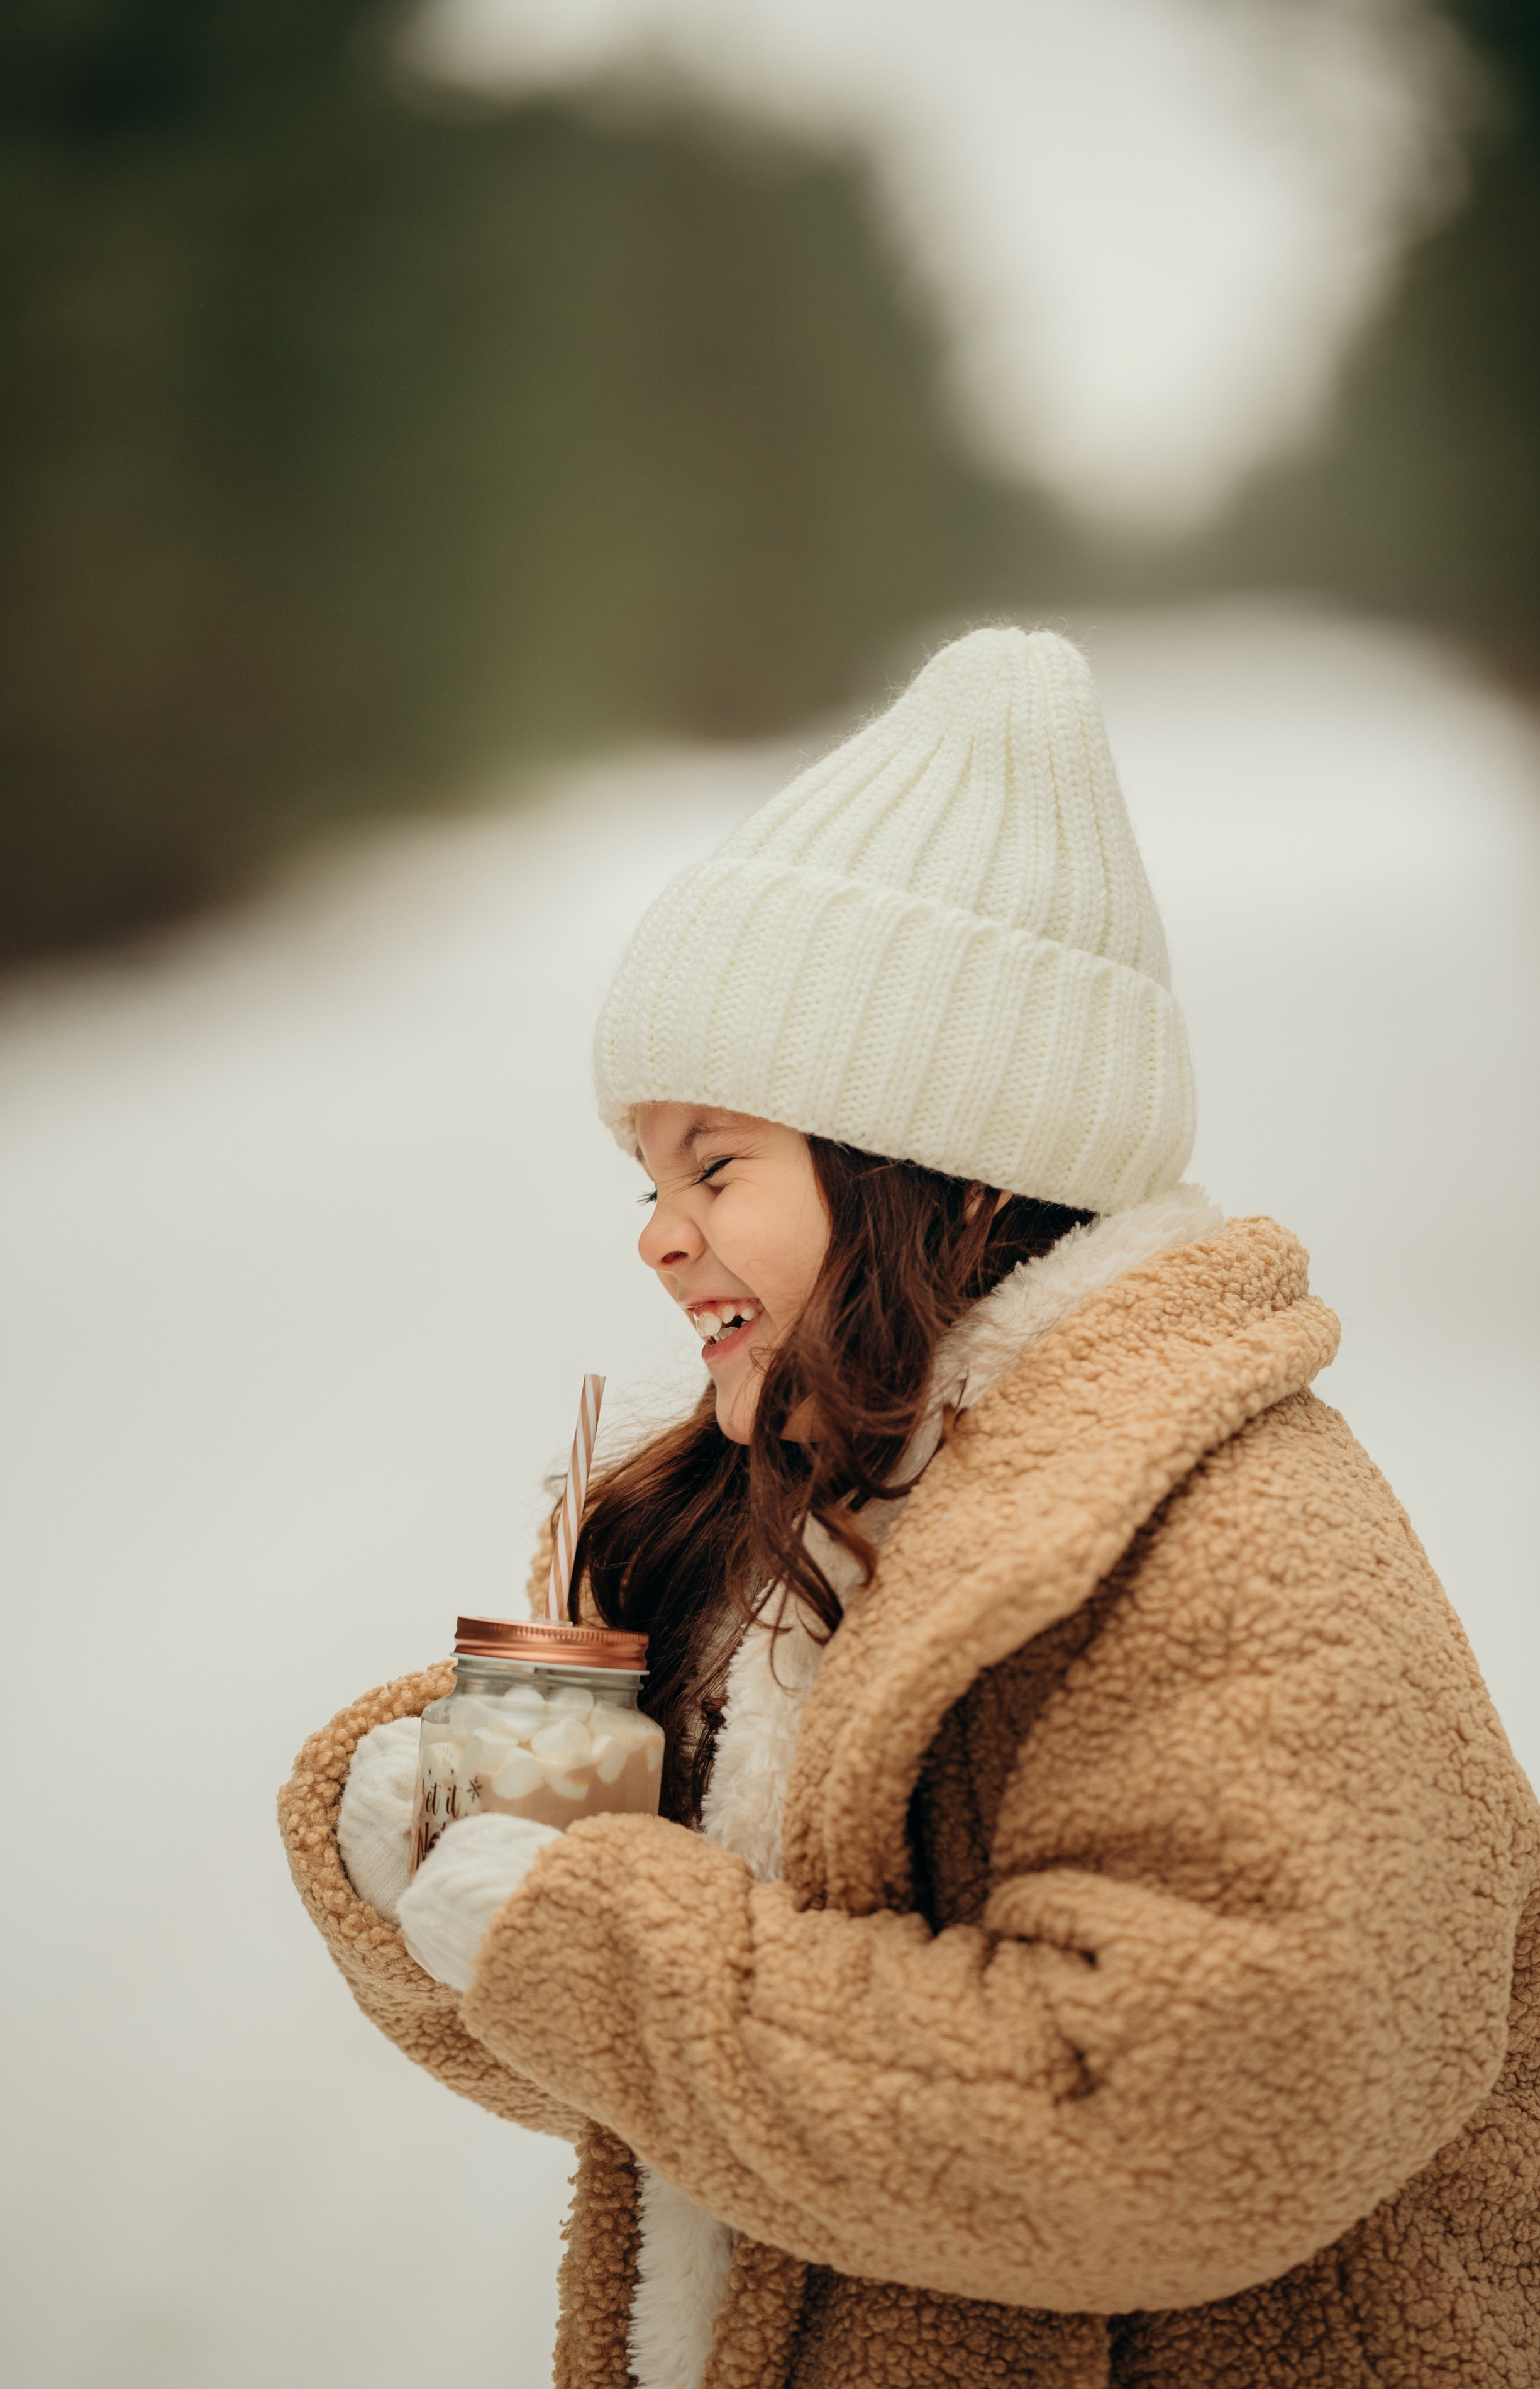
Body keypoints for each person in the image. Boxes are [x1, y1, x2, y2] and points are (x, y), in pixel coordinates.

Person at [280, 628, 1538, 2389]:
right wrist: (444, 1856)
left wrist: (595, 1935)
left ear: (956, 1168)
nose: (654, 1234)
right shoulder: (809, 1525)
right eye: (647, 1180)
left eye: (715, 1165)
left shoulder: (1239, 1536)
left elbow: (1184, 2116)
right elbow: (688, 2093)